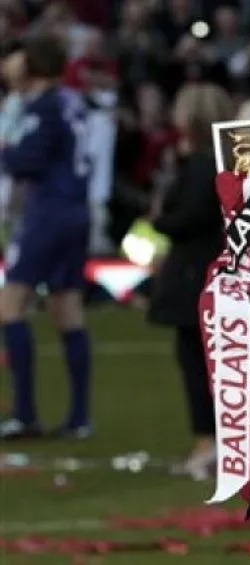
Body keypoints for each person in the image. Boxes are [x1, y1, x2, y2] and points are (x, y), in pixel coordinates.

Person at [0, 34, 93, 440]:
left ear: (29, 65)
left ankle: (25, 414)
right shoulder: (72, 100)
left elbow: (26, 162)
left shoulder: (42, 106)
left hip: (48, 211)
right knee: (67, 307)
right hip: (76, 208)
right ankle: (78, 418)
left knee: (10, 305)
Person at [147, 83, 232, 478]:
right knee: (217, 362)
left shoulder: (199, 165)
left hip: (194, 276)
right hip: (216, 270)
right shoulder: (224, 160)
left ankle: (207, 442)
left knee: (197, 363)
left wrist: (159, 215)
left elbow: (185, 220)